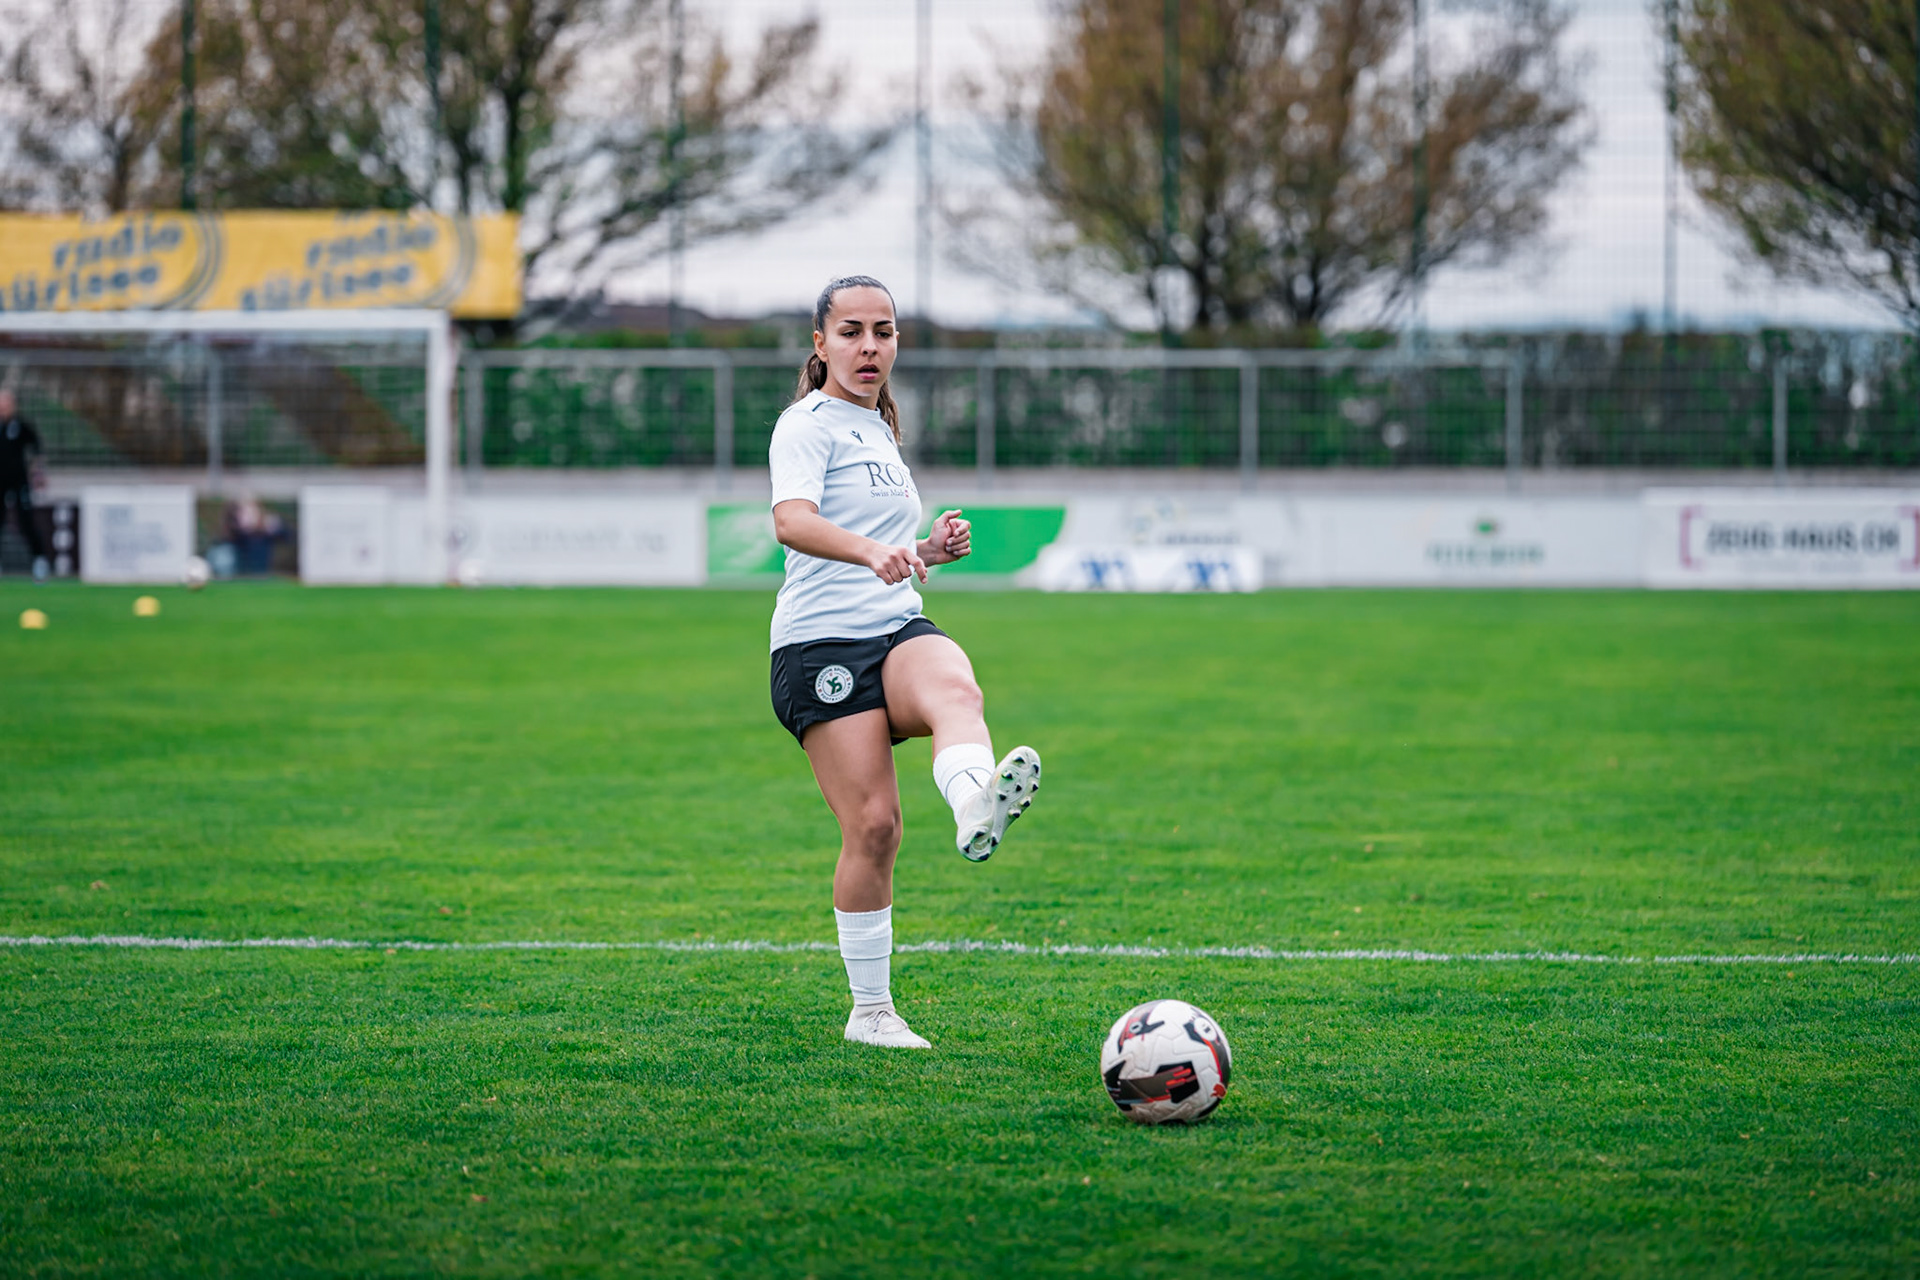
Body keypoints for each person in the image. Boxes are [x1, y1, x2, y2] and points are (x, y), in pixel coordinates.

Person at [768, 275, 1042, 1050]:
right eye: (851, 331)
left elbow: (885, 551)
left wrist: (924, 552)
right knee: (876, 827)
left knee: (956, 683)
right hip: (820, 643)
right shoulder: (807, 424)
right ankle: (871, 1012)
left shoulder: (880, 429)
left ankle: (974, 805)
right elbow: (792, 522)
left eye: (883, 331)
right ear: (820, 344)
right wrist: (874, 551)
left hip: (893, 626)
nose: (869, 347)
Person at [0, 389, 50, 582]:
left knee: (26, 522)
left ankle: (39, 562)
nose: (3, 408)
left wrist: (38, 471)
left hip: (19, 482)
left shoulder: (20, 426)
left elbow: (37, 448)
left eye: (6, 404)